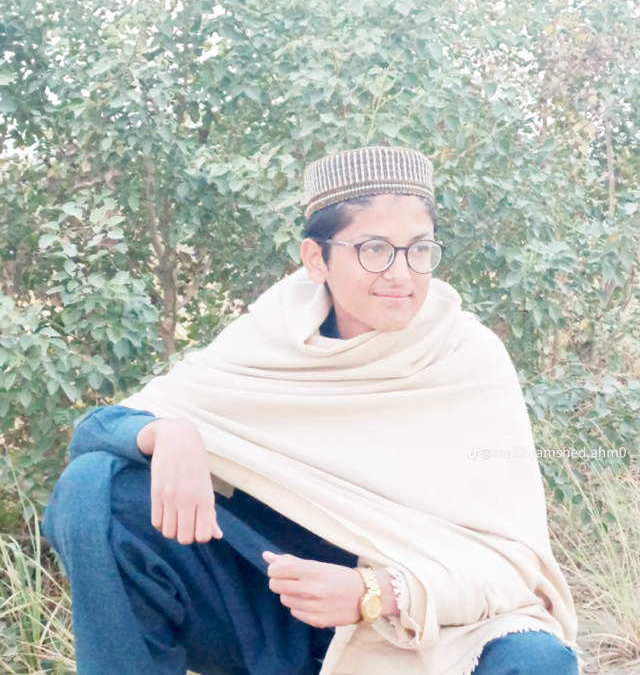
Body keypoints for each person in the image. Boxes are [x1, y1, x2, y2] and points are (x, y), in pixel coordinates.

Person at [42, 146, 581, 675]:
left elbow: (515, 569)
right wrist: (166, 432)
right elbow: (96, 431)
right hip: (272, 614)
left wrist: (377, 591)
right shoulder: (274, 336)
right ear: (316, 259)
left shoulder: (466, 358)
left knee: (537, 661)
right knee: (96, 487)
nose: (401, 273)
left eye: (419, 249)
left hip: (417, 628)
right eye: (374, 249)